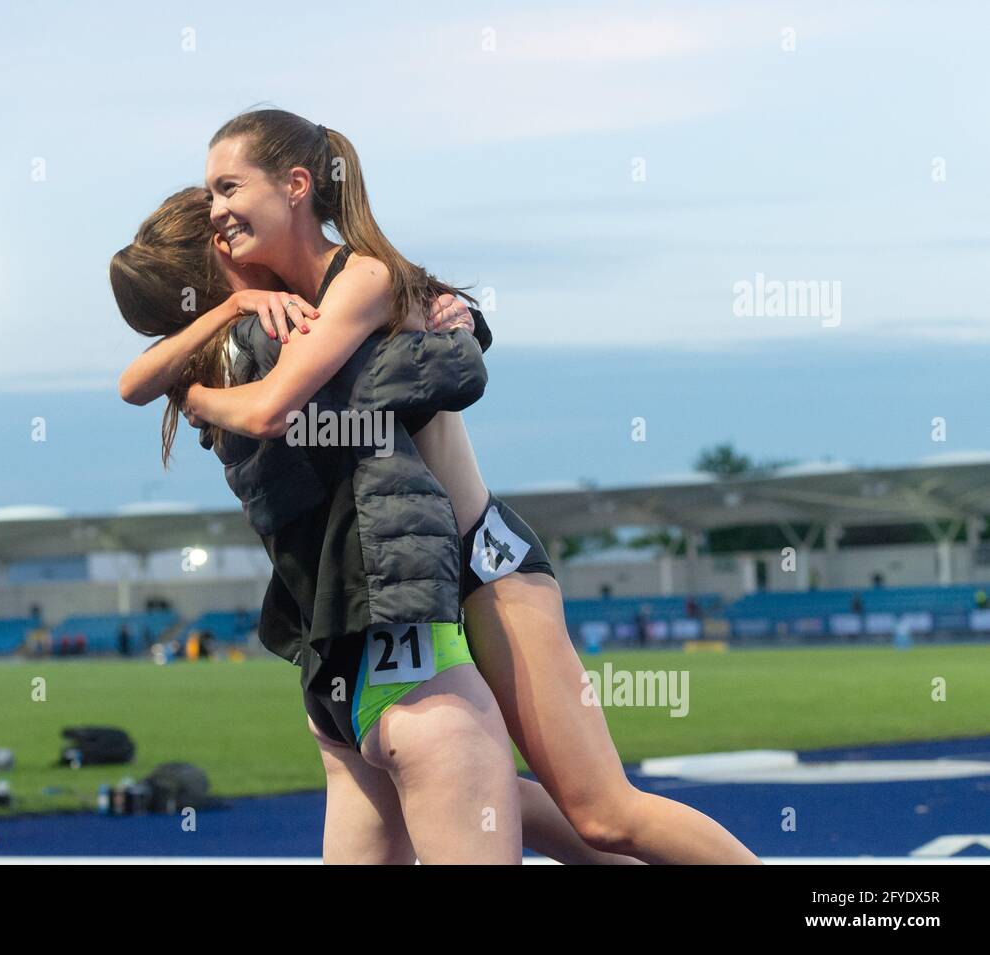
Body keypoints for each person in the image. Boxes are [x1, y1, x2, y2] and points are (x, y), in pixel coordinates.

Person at [120, 108, 758, 863]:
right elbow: (141, 381)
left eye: (229, 194)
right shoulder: (271, 328)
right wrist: (224, 325)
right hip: (411, 589)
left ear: (294, 188)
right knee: (487, 788)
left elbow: (290, 403)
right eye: (213, 219)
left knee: (602, 811)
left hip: (482, 561)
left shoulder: (356, 283)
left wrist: (457, 328)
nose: (223, 222)